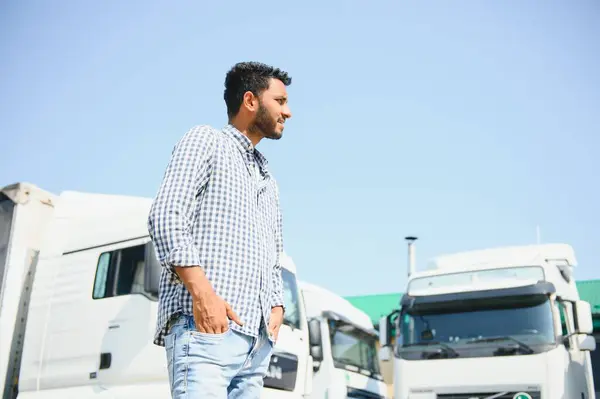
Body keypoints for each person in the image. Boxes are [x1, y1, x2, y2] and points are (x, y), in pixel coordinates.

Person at [147, 61, 293, 398]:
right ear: (250, 101)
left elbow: (274, 254)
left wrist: (276, 305)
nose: (288, 112)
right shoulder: (206, 140)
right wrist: (204, 296)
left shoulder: (268, 180)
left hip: (255, 347)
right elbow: (166, 214)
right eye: (281, 101)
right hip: (205, 333)